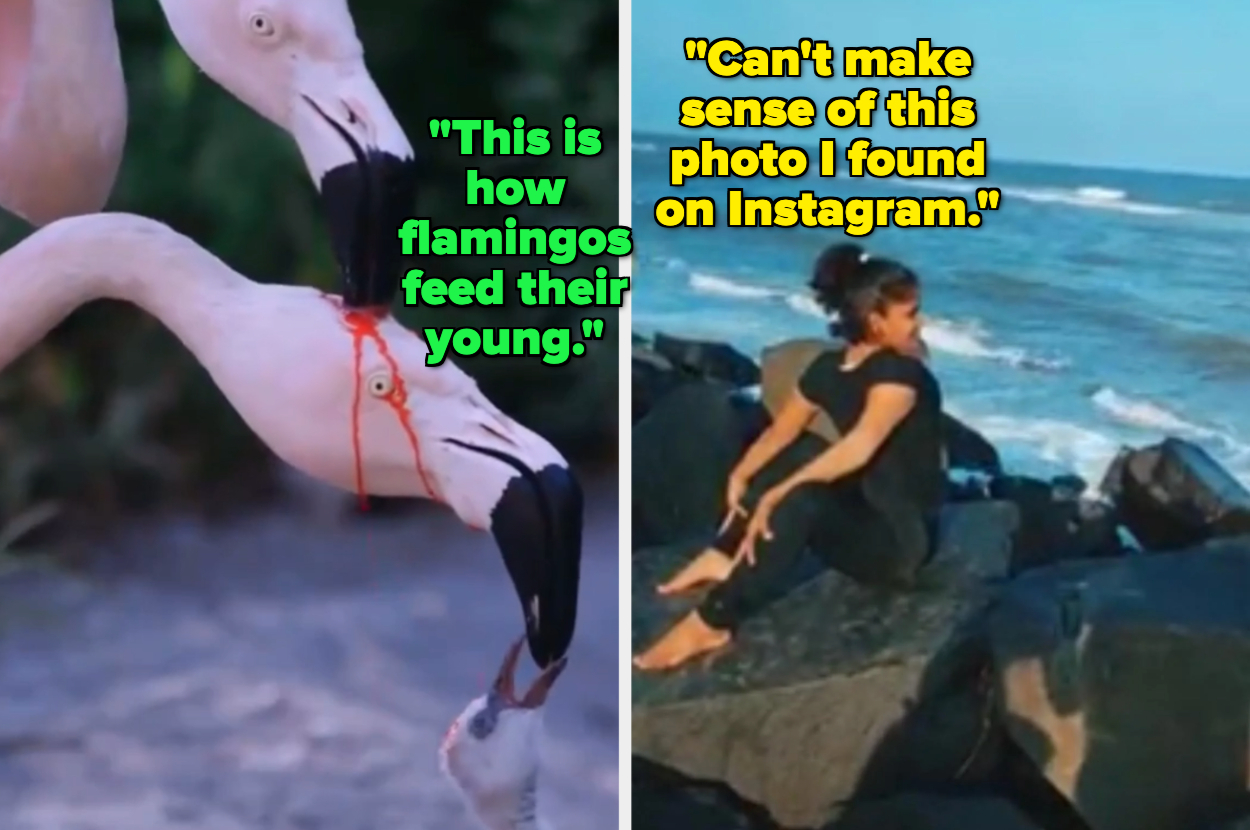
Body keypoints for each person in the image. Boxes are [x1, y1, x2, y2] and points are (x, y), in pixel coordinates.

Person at [632, 244, 945, 672]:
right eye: (911, 313)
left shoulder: (902, 376)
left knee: (801, 495)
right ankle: (725, 554)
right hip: (865, 506)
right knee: (798, 453)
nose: (920, 323)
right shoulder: (828, 369)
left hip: (899, 540)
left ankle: (712, 621)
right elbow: (781, 432)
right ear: (875, 321)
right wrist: (741, 476)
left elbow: (860, 446)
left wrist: (779, 494)